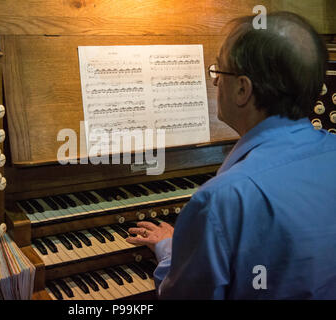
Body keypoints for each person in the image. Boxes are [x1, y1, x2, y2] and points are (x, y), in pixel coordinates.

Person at [126, 12, 336, 299]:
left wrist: (169, 251)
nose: (214, 83)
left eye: (218, 71)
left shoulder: (222, 200)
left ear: (242, 89)